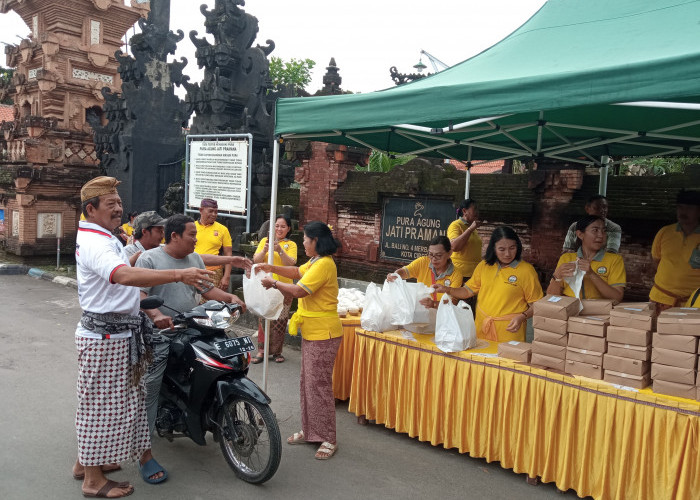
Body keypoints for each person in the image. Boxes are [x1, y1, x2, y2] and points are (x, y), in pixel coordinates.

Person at [73, 177, 212, 498]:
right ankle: (92, 480)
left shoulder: (103, 237)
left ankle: (86, 463)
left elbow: (121, 286)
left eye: (120, 203)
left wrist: (150, 309)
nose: (119, 208)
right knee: (100, 406)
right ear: (91, 209)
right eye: (111, 204)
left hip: (116, 332)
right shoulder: (97, 242)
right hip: (105, 335)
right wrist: (179, 274)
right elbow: (121, 276)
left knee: (109, 403)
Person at [136, 214, 249, 454]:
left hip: (192, 326)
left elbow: (207, 289)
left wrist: (230, 298)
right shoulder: (149, 259)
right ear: (174, 236)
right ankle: (141, 439)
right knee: (152, 381)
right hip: (159, 333)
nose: (196, 240)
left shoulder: (195, 258)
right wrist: (156, 316)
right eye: (192, 234)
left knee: (217, 359)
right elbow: (140, 295)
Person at [257, 221, 342, 460]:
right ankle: (312, 431)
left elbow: (299, 290)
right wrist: (270, 266)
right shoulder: (316, 261)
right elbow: (296, 272)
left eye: (306, 239)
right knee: (308, 383)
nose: (303, 242)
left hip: (324, 333)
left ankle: (328, 437)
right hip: (313, 331)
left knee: (319, 386)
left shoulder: (325, 264)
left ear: (316, 241)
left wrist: (272, 282)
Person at [435, 226, 543, 342]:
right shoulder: (484, 266)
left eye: (512, 248)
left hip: (510, 332)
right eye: (501, 249)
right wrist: (447, 289)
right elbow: (467, 291)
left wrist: (523, 317)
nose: (507, 253)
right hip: (481, 328)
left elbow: (536, 304)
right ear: (494, 249)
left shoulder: (526, 271)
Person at [548, 215, 626, 302]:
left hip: (599, 312)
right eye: (595, 230)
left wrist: (592, 274)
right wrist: (557, 277)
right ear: (580, 234)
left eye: (604, 231)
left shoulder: (614, 260)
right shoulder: (567, 258)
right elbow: (551, 298)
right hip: (570, 309)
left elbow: (617, 297)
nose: (601, 235)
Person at [252, 215, 297, 364]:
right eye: (277, 226)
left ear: (288, 229)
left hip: (284, 287)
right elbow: (256, 260)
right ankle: (262, 350)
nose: (279, 229)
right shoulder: (265, 241)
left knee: (280, 320)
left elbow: (291, 263)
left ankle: (277, 351)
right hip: (266, 286)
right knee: (264, 318)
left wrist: (280, 251)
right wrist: (265, 250)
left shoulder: (291, 245)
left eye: (283, 226)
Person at [649, 190, 700, 313]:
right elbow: (656, 261)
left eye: (689, 208)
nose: (683, 212)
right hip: (660, 298)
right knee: (655, 331)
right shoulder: (665, 232)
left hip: (693, 303)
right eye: (680, 207)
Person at [386, 235, 463, 309]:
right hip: (421, 311)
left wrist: (434, 304)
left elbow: (453, 302)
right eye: (431, 254)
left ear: (449, 253)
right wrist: (395, 275)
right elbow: (404, 272)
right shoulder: (423, 262)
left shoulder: (456, 274)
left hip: (443, 315)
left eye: (438, 255)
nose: (433, 259)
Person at [194, 198, 233, 290]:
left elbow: (228, 254)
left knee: (212, 302)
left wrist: (226, 277)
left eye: (216, 212)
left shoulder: (222, 229)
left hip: (214, 272)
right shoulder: (192, 227)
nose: (214, 214)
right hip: (193, 270)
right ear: (201, 210)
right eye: (210, 211)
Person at [447, 199, 482, 281]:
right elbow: (454, 246)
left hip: (473, 273)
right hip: (460, 274)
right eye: (475, 209)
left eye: (478, 209)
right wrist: (470, 229)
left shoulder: (473, 228)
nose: (477, 212)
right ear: (464, 211)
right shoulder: (456, 225)